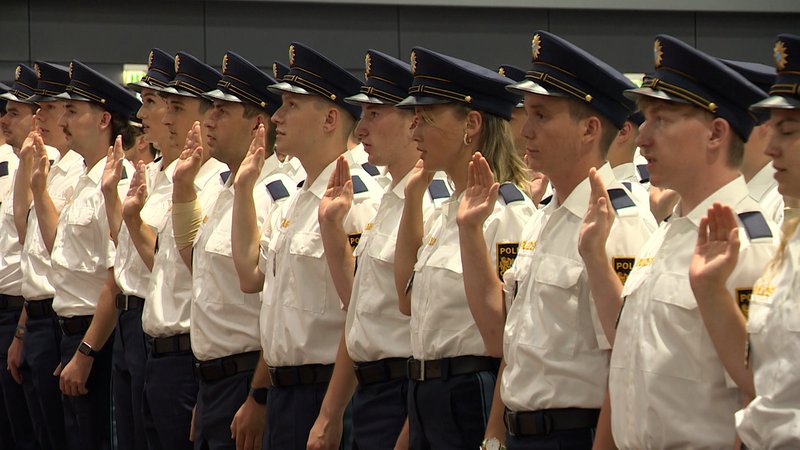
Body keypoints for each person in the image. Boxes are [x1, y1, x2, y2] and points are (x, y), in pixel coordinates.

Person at [458, 31, 656, 449]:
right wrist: (470, 233)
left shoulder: (619, 223)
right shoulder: (543, 217)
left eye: (542, 115)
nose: (525, 131)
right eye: (527, 114)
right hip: (522, 431)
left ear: (589, 129)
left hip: (576, 434)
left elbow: (623, 361)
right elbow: (499, 337)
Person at [582, 35, 779, 448]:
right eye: (646, 119)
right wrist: (595, 257)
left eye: (662, 120)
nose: (641, 138)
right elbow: (631, 347)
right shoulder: (669, 230)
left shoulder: (748, 244)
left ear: (716, 133)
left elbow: (758, 392)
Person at [306, 49, 451, 450]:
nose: (361, 129)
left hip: (402, 390)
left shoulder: (432, 204)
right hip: (369, 391)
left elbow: (427, 331)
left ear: (413, 121)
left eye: (374, 114)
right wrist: (331, 229)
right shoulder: (389, 199)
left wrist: (411, 424)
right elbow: (360, 309)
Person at [239, 42, 381, 449]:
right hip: (283, 392)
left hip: (326, 390)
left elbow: (359, 316)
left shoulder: (358, 201)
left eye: (291, 105)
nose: (277, 117)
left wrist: (330, 413)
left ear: (330, 119)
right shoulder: (296, 200)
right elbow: (254, 279)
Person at [391, 47, 534, 450]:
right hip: (425, 393)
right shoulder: (445, 209)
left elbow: (511, 340)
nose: (414, 132)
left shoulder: (507, 213)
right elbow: (406, 300)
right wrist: (412, 198)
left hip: (471, 395)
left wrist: (494, 431)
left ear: (471, 124)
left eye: (426, 118)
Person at [171, 50, 290, 450]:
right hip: (211, 380)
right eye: (211, 109)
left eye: (222, 111)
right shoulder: (223, 187)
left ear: (257, 124)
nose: (208, 119)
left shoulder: (274, 195)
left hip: (247, 376)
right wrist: (183, 189)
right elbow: (198, 267)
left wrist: (258, 395)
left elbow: (278, 307)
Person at [59, 48, 174, 450]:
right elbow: (122, 252)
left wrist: (87, 348)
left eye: (153, 102)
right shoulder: (145, 176)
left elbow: (139, 265)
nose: (143, 114)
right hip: (129, 324)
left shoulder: (148, 178)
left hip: (145, 321)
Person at [689, 32, 800, 448]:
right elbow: (762, 382)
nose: (770, 148)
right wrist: (710, 290)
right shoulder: (792, 241)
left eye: (788, 131)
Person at [134, 50, 223, 450]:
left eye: (177, 108)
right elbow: (163, 266)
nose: (167, 119)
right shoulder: (176, 179)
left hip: (190, 353)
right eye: (166, 107)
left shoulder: (217, 186)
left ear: (209, 116)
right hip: (157, 352)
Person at [48, 60, 139, 450]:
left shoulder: (116, 182)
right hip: (73, 334)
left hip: (98, 339)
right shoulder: (83, 179)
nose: (62, 120)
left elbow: (115, 278)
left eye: (72, 111)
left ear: (104, 120)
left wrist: (85, 351)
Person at [9, 60, 82, 450]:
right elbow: (27, 242)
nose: (39, 116)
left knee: (62, 433)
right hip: (35, 317)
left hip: (59, 319)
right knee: (39, 434)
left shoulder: (79, 174)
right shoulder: (47, 170)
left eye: (50, 108)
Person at [0, 64, 48, 450]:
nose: (4, 119)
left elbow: (37, 261)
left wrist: (20, 329)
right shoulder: (14, 169)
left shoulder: (45, 171)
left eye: (14, 112)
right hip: (16, 312)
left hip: (23, 311)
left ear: (37, 118)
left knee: (29, 431)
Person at [722, 59, 784, 225]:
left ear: (766, 125)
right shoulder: (729, 193)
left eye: (731, 123)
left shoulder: (782, 201)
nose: (717, 135)